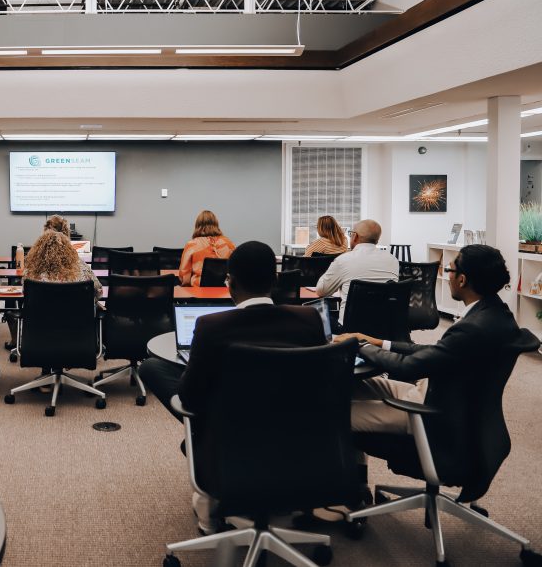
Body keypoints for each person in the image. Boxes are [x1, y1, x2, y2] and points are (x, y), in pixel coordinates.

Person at [139, 241, 325, 533]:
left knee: (152, 368)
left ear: (230, 283)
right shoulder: (309, 319)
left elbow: (189, 397)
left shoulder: (212, 326)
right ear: (275, 280)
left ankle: (201, 439)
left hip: (229, 444)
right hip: (298, 445)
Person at [339, 244, 537, 437]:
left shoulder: (473, 328)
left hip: (431, 411)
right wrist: (379, 343)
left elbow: (407, 367)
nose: (448, 275)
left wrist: (360, 346)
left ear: (462, 280)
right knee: (350, 387)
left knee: (328, 414)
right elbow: (436, 351)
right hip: (440, 397)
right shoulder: (496, 313)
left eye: (450, 270)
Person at [314, 218, 398, 319]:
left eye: (351, 233)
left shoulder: (343, 260)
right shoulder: (392, 260)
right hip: (385, 326)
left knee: (315, 315)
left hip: (350, 328)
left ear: (355, 236)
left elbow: (321, 291)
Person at [23, 228, 102, 299]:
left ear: (38, 251)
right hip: (76, 314)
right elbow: (99, 291)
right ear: (68, 249)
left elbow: (25, 293)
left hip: (40, 314)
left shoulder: (30, 272)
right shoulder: (82, 267)